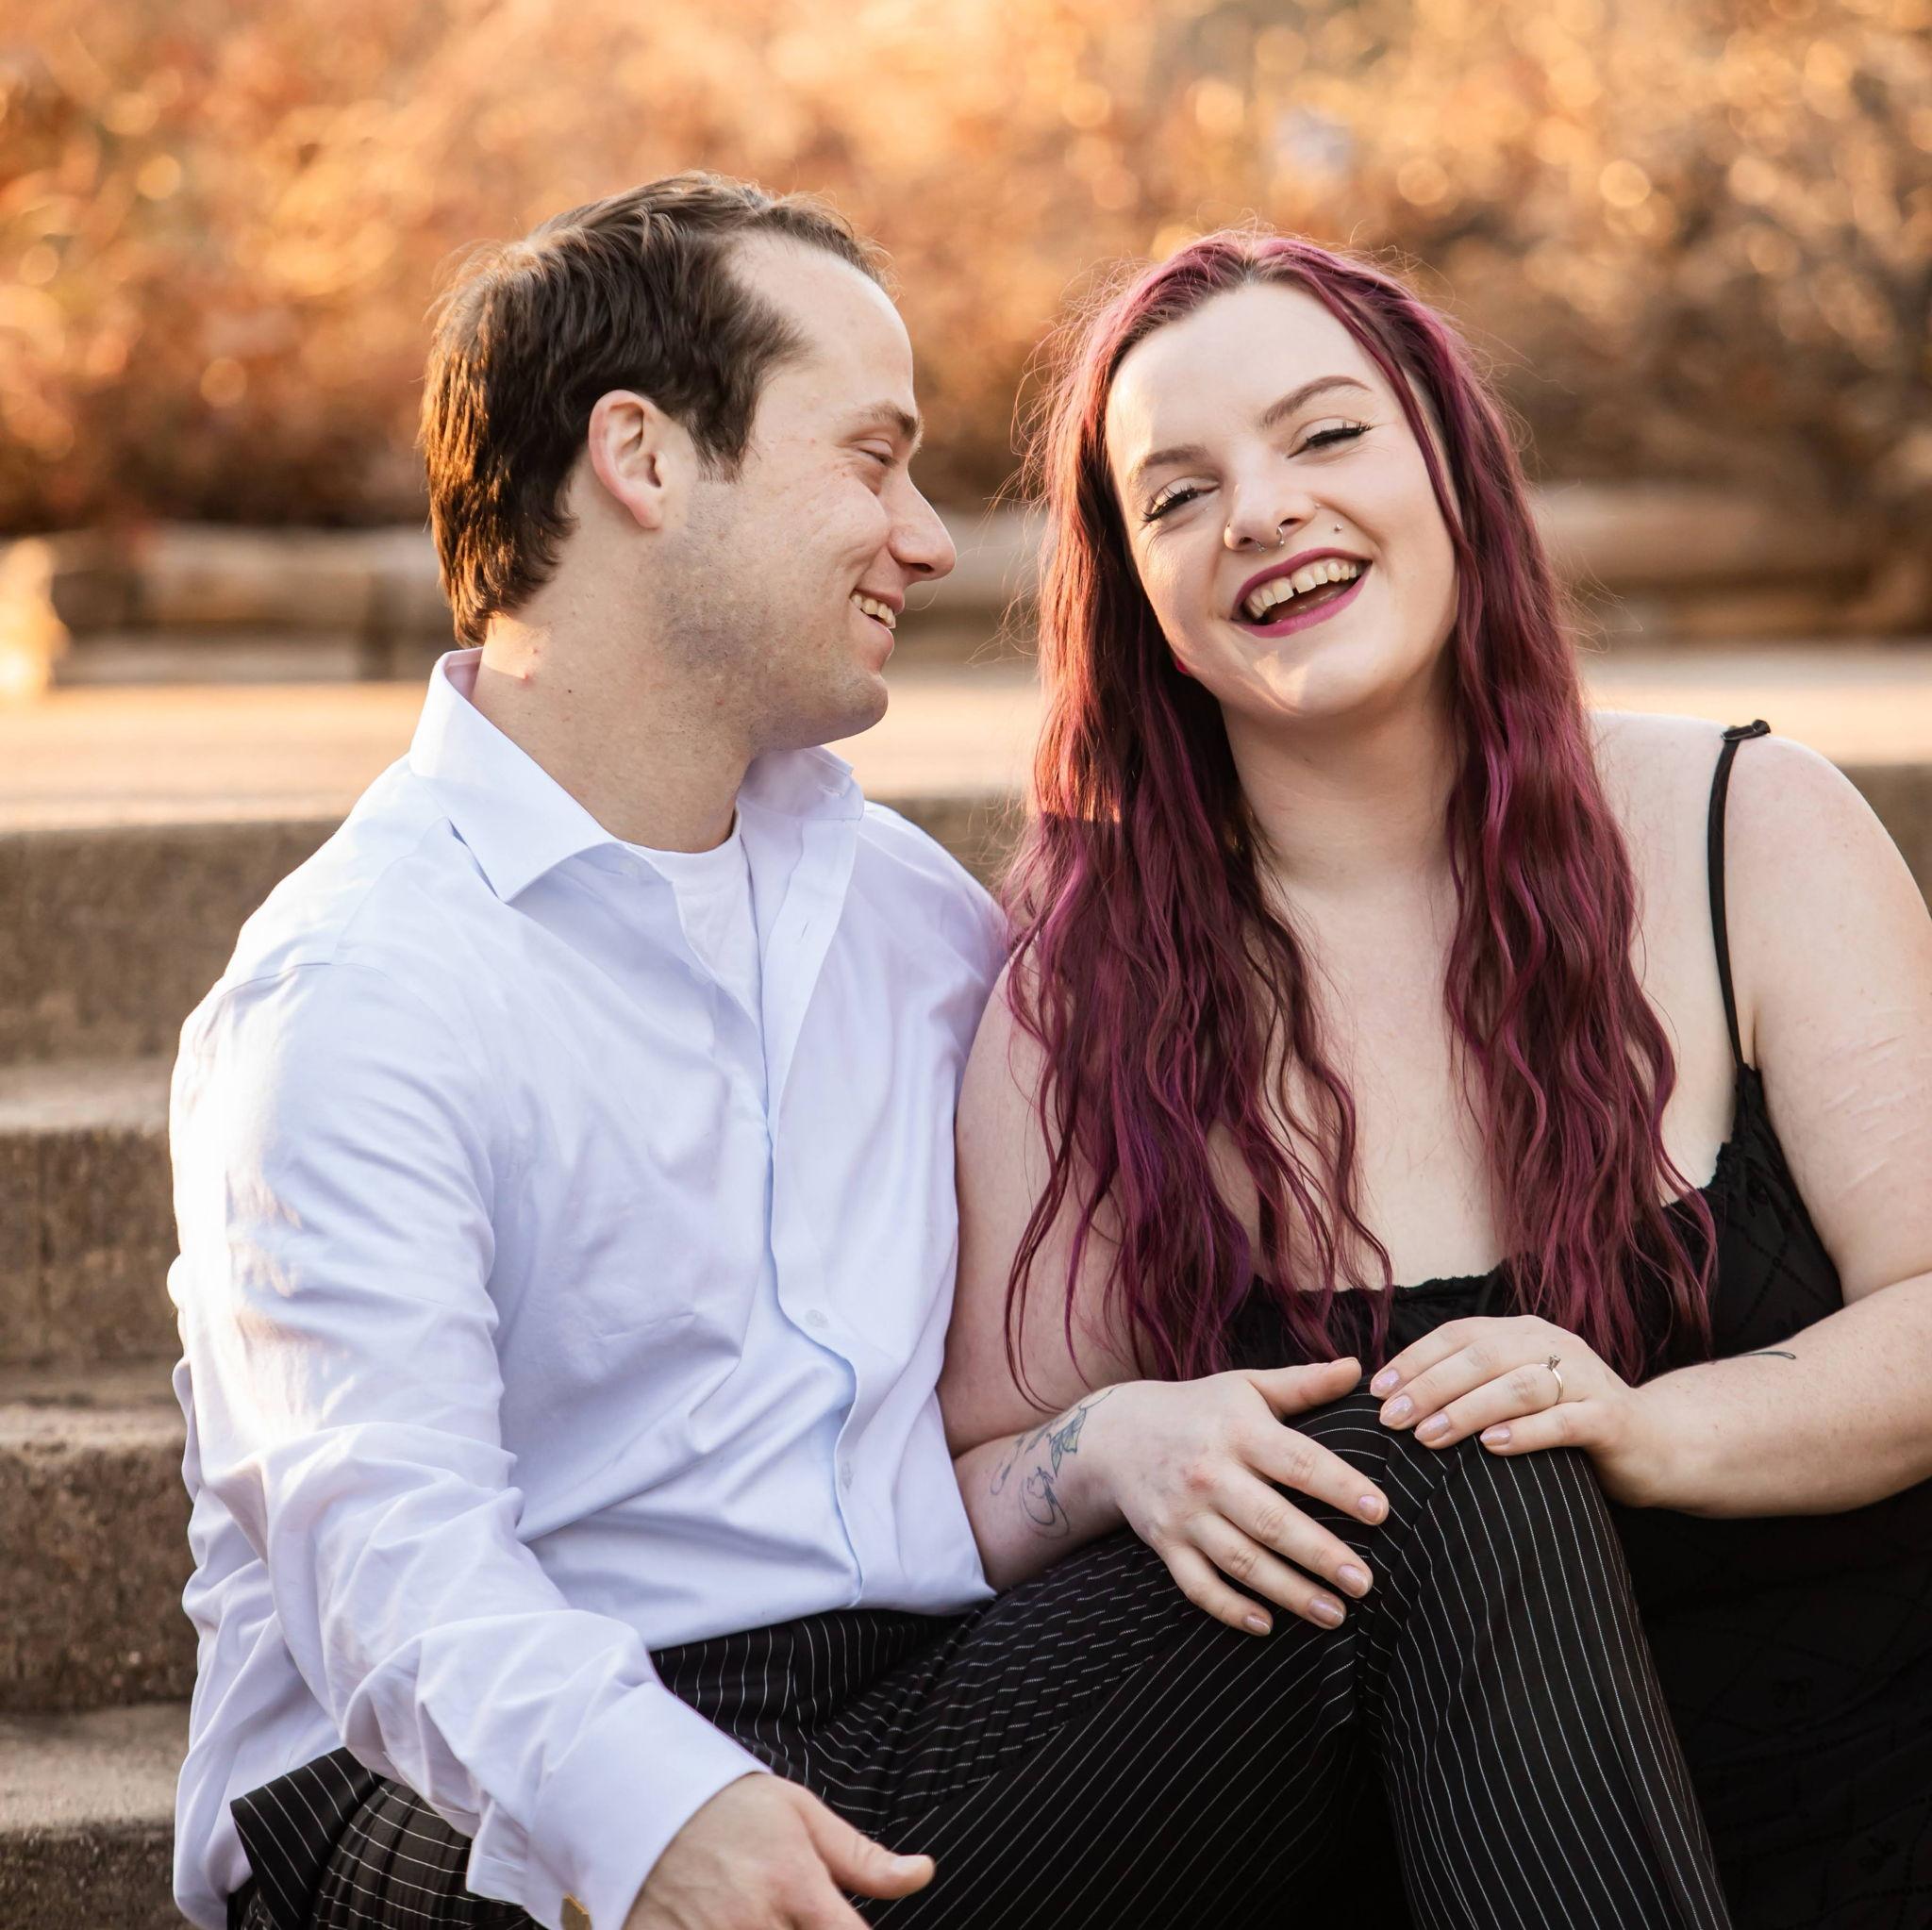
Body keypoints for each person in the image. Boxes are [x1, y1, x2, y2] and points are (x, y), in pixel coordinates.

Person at [167, 175, 1728, 1930]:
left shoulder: (907, 920)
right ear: (645, 460)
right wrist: (659, 1811)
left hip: (883, 1718)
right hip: (454, 1798)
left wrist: (1112, 1440)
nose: (925, 536)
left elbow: (945, 1447)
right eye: (871, 458)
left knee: (1431, 1488)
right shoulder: (360, 985)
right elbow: (383, 1554)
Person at [938, 227, 1932, 1930]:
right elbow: (976, 1485)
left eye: (1326, 437)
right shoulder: (1081, 996)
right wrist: (1115, 1444)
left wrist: (1641, 1425)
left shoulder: (1749, 830)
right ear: (1138, 598)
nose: (1258, 509)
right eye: (1176, 495)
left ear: (1452, 474)